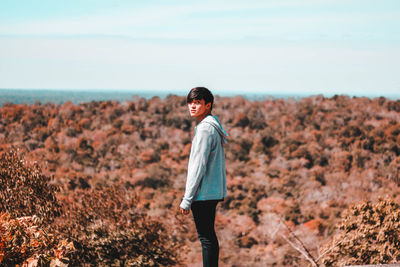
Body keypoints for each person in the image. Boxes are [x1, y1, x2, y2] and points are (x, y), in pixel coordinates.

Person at [179, 87, 228, 267]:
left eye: (198, 103)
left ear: (208, 105)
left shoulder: (205, 130)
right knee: (208, 236)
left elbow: (197, 167)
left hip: (204, 192)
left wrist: (187, 199)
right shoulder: (212, 126)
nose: (192, 106)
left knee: (206, 238)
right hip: (212, 191)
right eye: (190, 102)